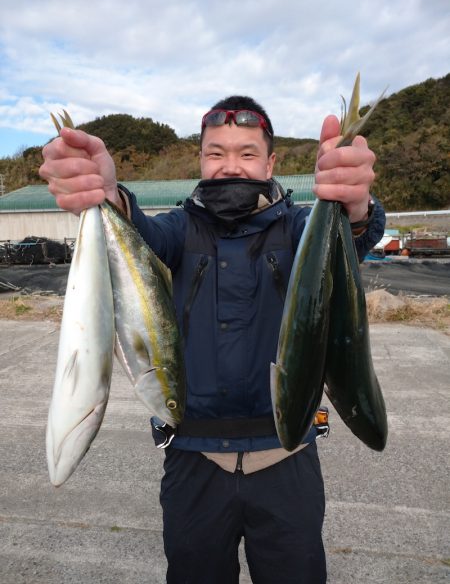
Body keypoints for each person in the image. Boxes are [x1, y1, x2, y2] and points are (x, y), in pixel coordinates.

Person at [40, 96, 385, 584]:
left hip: (287, 457)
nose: (229, 166)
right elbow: (136, 236)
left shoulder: (299, 227)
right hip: (193, 459)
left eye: (246, 153)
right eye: (215, 153)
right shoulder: (180, 229)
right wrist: (107, 194)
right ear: (200, 161)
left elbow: (351, 236)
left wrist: (356, 207)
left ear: (270, 163)